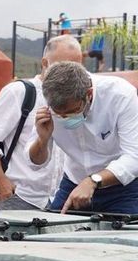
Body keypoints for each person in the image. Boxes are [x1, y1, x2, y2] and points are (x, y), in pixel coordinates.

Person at [0, 35, 81, 210]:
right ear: (45, 63)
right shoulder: (18, 92)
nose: (69, 75)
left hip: (61, 199)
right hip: (20, 196)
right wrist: (0, 180)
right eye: (62, 66)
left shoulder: (78, 98)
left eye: (76, 68)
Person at [28, 60, 138, 214]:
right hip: (74, 183)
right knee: (53, 233)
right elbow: (35, 163)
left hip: (122, 188)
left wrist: (93, 181)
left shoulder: (120, 95)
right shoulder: (47, 102)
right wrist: (42, 139)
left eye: (72, 111)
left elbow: (134, 157)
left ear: (89, 94)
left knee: (120, 236)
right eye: (59, 114)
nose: (65, 118)